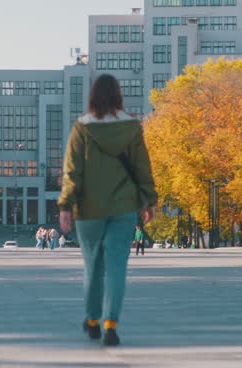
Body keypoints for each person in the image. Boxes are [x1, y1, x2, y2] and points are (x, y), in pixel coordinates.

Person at [58, 74, 158, 347]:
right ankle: (110, 323)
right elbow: (142, 167)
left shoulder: (82, 128)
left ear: (92, 96)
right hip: (124, 207)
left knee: (93, 266)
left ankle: (91, 320)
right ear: (118, 95)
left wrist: (66, 205)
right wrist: (148, 200)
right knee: (116, 268)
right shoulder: (132, 127)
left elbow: (72, 171)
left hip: (89, 208)